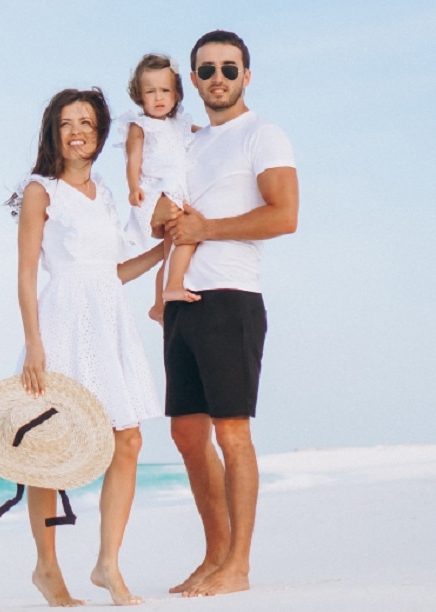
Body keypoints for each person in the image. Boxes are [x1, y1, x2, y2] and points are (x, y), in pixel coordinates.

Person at [150, 30, 299, 597]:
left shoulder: (264, 134)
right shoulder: (188, 144)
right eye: (207, 70)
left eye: (229, 69)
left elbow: (284, 216)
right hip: (180, 302)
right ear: (193, 80)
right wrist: (164, 217)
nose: (218, 78)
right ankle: (214, 555)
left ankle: (238, 565)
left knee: (232, 433)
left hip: (231, 297)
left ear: (246, 77)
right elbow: (162, 219)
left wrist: (206, 228)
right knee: (187, 435)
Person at [7, 88, 164, 606]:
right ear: (54, 131)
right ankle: (48, 570)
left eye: (89, 124)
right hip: (60, 321)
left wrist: (165, 250)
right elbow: (27, 274)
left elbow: (114, 272)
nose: (78, 132)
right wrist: (34, 345)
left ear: (99, 135)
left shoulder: (107, 195)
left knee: (129, 439)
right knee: (47, 450)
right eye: (68, 123)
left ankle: (107, 565)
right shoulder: (40, 190)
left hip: (108, 320)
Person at [116, 53, 201, 324]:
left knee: (171, 249)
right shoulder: (140, 126)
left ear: (176, 93)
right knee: (184, 237)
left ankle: (158, 306)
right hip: (157, 191)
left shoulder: (181, 124)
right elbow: (133, 159)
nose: (158, 97)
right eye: (150, 92)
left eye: (165, 90)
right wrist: (132, 188)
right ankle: (171, 287)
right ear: (139, 96)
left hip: (178, 188)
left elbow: (206, 135)